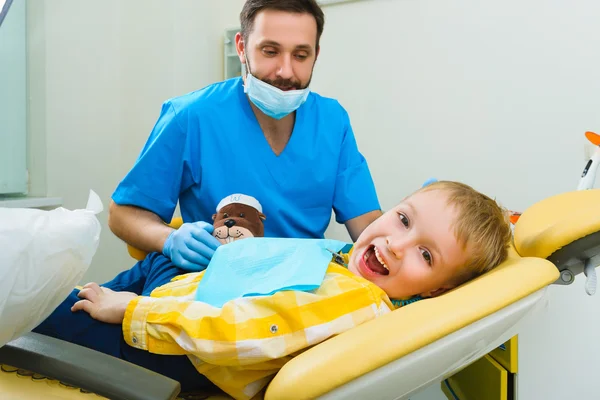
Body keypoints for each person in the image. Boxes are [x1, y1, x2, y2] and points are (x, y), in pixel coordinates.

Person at [34, 181, 512, 400]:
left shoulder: (358, 299)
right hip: (183, 308)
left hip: (179, 346)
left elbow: (240, 334)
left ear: (437, 290)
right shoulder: (349, 268)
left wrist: (133, 313)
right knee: (156, 258)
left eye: (426, 255)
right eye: (403, 219)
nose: (395, 243)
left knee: (34, 317)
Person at [108, 0, 382, 272]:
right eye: (270, 51)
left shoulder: (332, 121)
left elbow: (367, 225)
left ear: (316, 54)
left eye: (300, 55)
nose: (286, 71)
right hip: (218, 286)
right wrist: (169, 239)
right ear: (241, 47)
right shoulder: (191, 117)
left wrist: (416, 225)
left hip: (304, 288)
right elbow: (123, 214)